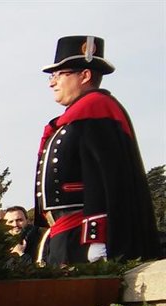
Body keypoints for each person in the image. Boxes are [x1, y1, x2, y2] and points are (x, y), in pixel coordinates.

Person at [34, 36, 159, 266]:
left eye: (59, 74)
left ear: (85, 75)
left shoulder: (98, 110)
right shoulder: (74, 119)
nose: (52, 83)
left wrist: (96, 238)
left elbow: (104, 179)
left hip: (81, 236)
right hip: (64, 233)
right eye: (52, 76)